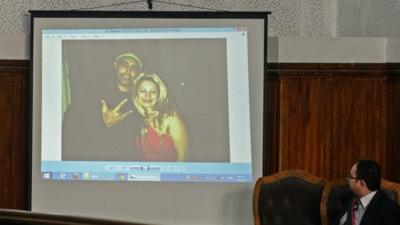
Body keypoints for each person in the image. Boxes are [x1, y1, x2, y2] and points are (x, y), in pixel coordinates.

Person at [132, 73, 188, 162]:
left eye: (153, 92)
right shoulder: (138, 119)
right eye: (143, 91)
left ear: (159, 95)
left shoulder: (171, 119)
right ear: (136, 94)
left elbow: (183, 157)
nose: (147, 95)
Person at [338, 160, 400, 225]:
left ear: (360, 183)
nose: (347, 179)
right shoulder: (349, 198)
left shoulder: (390, 211)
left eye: (350, 176)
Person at [101, 53, 143, 128]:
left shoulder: (141, 100)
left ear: (138, 73)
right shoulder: (100, 95)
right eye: (125, 64)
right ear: (116, 65)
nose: (128, 71)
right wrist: (104, 123)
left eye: (134, 68)